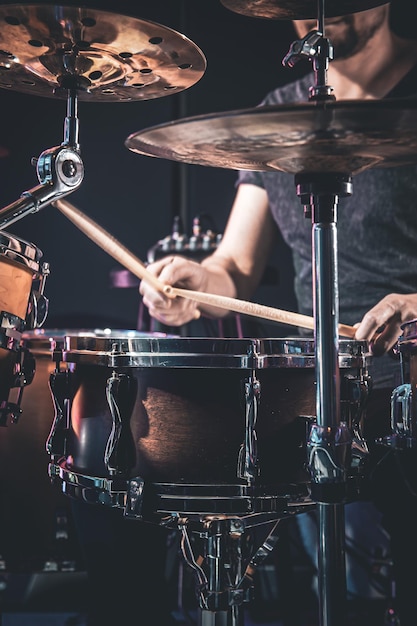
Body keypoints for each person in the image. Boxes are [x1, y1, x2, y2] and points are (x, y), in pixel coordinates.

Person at [139, 4, 417, 625]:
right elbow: (233, 266)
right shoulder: (279, 115)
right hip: (324, 389)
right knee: (345, 593)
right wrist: (193, 287)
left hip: (411, 375)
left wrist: (411, 305)